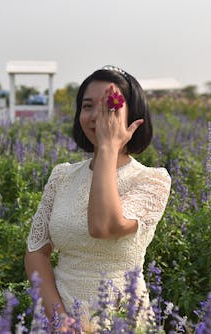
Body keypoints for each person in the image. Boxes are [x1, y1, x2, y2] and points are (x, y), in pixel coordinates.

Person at [24, 65, 171, 331]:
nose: (97, 117)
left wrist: (107, 147)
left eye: (110, 106)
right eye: (88, 106)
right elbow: (36, 251)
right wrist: (60, 320)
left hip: (119, 318)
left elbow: (103, 227)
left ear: (134, 116)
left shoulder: (152, 180)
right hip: (58, 316)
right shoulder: (62, 176)